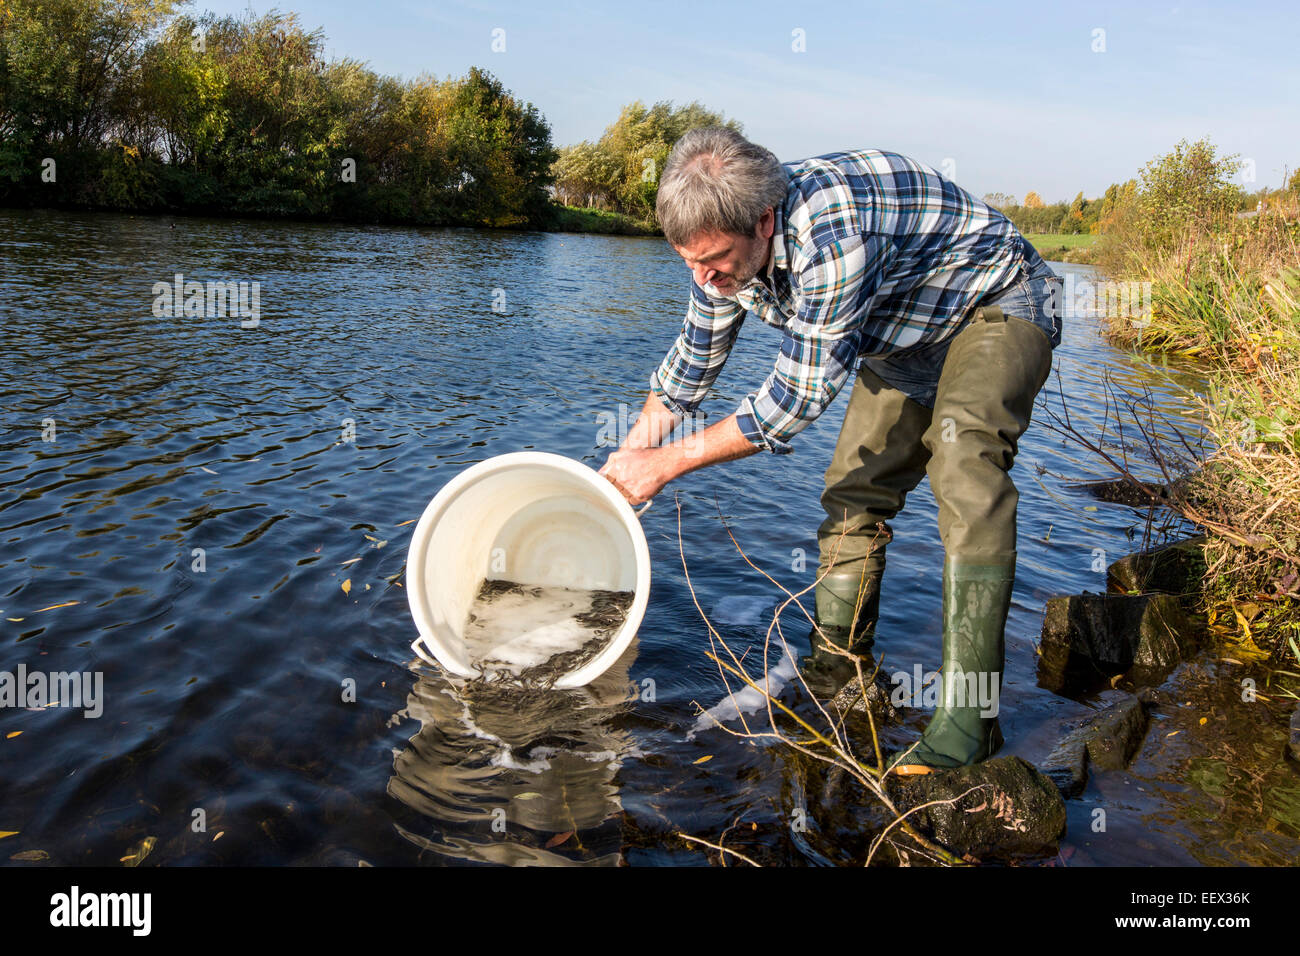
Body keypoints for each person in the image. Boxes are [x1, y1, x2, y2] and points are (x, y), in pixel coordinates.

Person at [598, 126, 1062, 773]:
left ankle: (968, 722)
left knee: (966, 469)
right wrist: (620, 469)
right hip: (903, 334)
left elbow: (792, 401)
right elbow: (692, 363)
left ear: (763, 221)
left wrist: (666, 464)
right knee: (852, 493)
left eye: (716, 262)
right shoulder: (724, 247)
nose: (704, 278)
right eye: (689, 262)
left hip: (996, 305)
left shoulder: (831, 235)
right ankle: (838, 673)